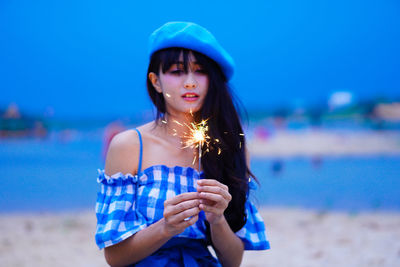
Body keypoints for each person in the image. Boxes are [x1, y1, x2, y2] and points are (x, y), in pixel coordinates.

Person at [95, 21, 270, 267]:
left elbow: (233, 261)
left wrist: (218, 219)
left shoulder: (230, 149)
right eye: (177, 71)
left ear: (213, 80)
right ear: (156, 81)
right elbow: (114, 257)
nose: (190, 82)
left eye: (200, 71)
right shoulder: (129, 145)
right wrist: (166, 228)